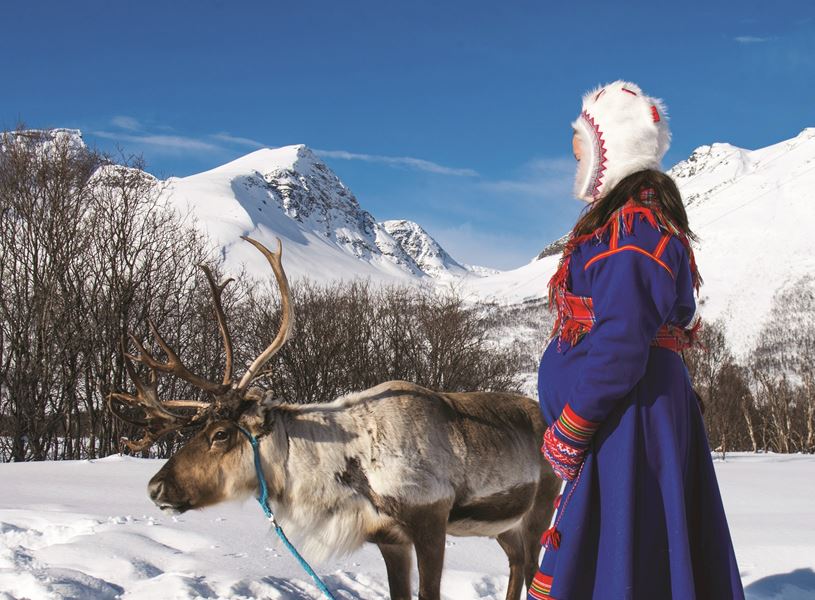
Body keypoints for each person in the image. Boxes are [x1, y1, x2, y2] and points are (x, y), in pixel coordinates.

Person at [529, 80, 745, 600]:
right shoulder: (637, 224)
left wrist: (573, 426)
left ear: (610, 150)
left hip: (627, 422)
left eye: (582, 139)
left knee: (627, 553)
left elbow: (623, 341)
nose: (573, 150)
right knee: (633, 552)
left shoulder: (630, 230)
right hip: (632, 415)